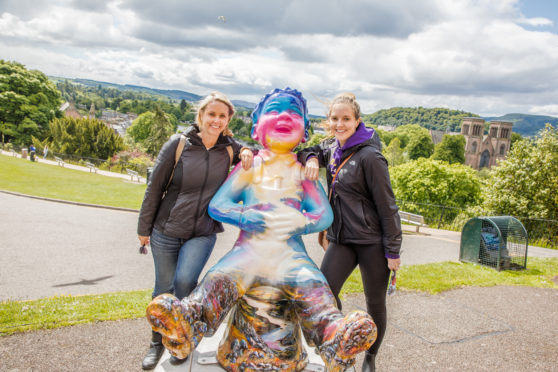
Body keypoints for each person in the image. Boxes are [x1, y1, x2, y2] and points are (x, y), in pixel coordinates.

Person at [145, 88, 376, 372]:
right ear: (256, 128)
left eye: (293, 113)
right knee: (218, 280)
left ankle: (333, 338)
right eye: (274, 111)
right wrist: (246, 215)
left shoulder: (305, 170)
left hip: (289, 256)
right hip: (248, 252)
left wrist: (302, 222)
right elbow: (219, 205)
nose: (284, 117)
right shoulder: (250, 166)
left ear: (305, 131)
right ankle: (187, 325)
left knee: (315, 286)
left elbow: (323, 214)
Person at [137, 92, 254, 370]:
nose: (215, 120)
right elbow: (154, 188)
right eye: (211, 114)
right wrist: (144, 228)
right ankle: (157, 343)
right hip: (166, 229)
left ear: (227, 121)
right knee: (163, 289)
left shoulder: (229, 148)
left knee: (186, 283)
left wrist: (247, 150)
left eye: (222, 116)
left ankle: (183, 339)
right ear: (201, 115)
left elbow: (252, 153)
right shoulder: (178, 145)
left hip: (202, 230)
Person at [300, 93, 402, 372]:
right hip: (342, 240)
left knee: (375, 303)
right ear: (329, 121)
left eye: (346, 119)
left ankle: (370, 357)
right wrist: (311, 156)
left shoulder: (371, 157)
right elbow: (306, 151)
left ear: (357, 121)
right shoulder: (333, 148)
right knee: (325, 294)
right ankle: (341, 342)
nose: (340, 124)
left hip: (372, 243)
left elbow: (388, 206)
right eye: (335, 118)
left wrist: (393, 250)